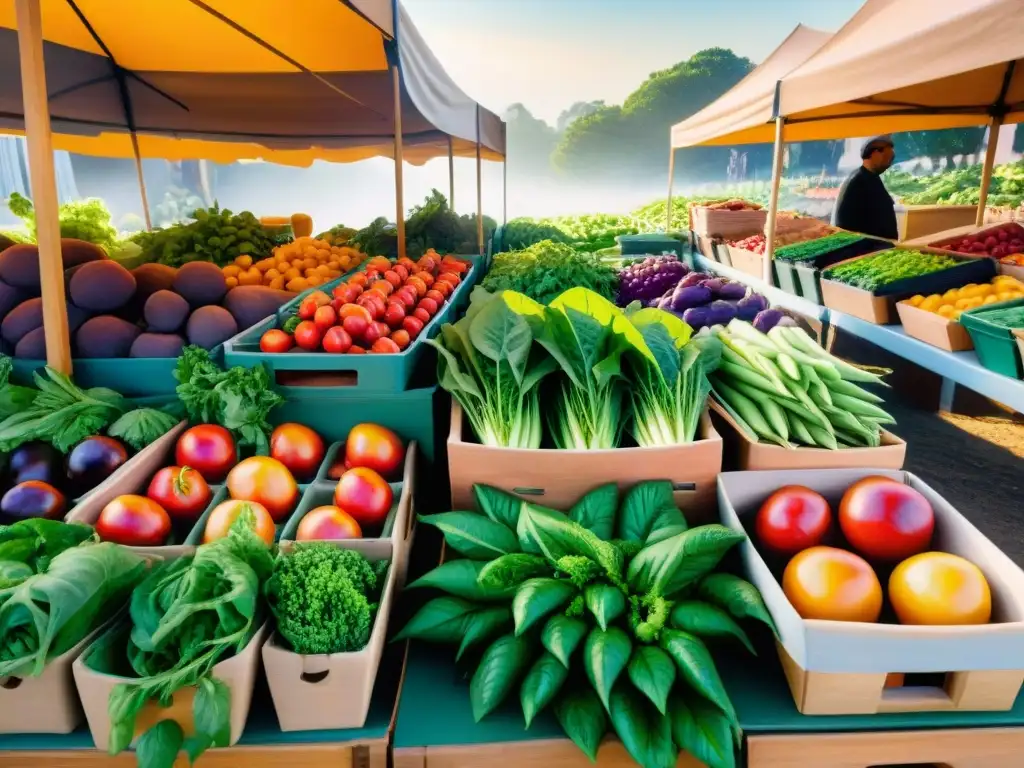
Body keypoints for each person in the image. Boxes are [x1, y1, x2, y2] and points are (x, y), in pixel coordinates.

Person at [831, 135, 899, 240]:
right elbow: (845, 224)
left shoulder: (870, 177)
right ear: (875, 153)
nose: (889, 164)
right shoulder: (858, 181)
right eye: (888, 158)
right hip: (867, 250)